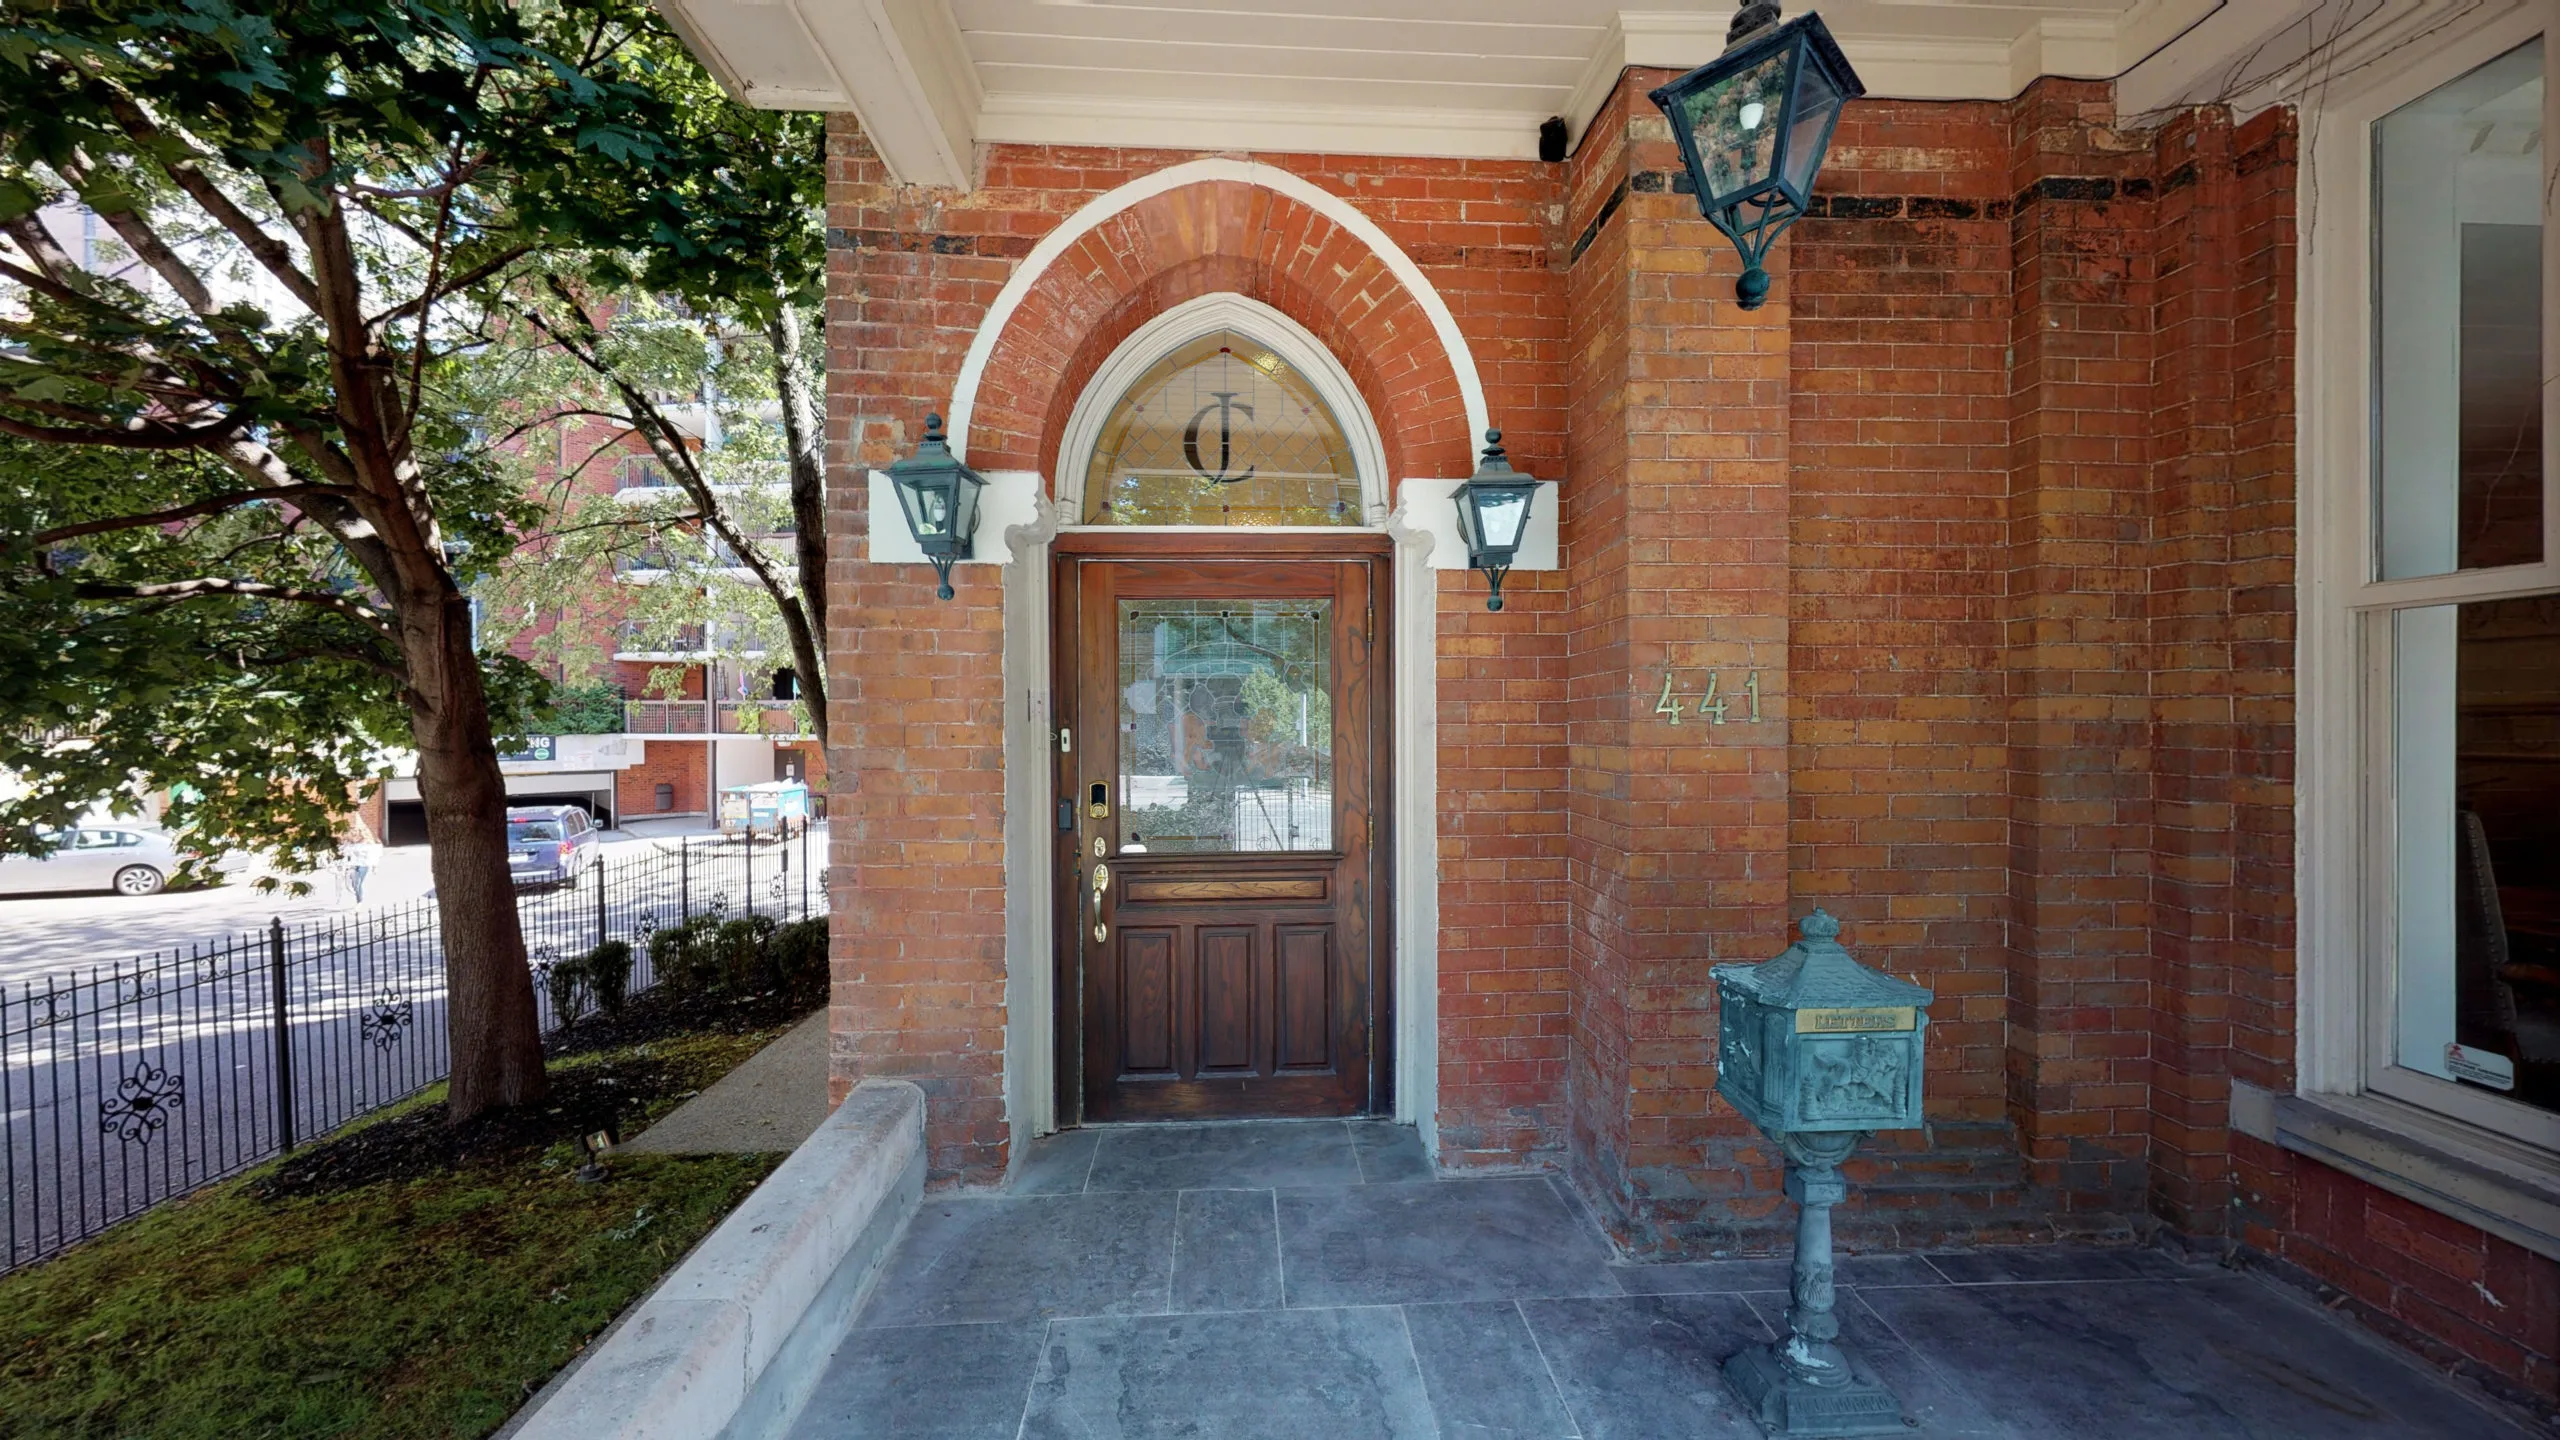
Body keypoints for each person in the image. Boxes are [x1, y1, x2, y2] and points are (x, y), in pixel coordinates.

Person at [342, 816, 383, 905]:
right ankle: (358, 896)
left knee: (358, 883)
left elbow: (374, 853)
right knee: (354, 884)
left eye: (355, 830)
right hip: (352, 865)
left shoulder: (366, 841)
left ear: (359, 831)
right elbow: (343, 852)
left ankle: (359, 901)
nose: (353, 832)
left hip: (363, 865)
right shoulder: (349, 842)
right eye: (352, 830)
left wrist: (375, 866)